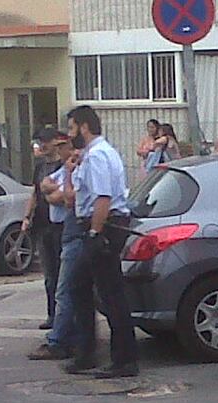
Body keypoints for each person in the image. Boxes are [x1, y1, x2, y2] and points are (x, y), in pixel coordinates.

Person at [63, 105, 139, 378]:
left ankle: (124, 359)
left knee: (110, 294)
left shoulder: (97, 156)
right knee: (80, 286)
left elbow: (103, 199)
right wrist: (70, 171)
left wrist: (95, 234)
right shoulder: (91, 156)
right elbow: (72, 200)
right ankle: (87, 352)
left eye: (72, 128)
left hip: (103, 228)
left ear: (84, 127)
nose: (70, 135)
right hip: (97, 226)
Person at [21, 128, 65, 331]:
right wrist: (27, 216)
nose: (43, 145)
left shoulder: (63, 164)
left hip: (60, 224)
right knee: (49, 275)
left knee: (61, 272)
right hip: (42, 224)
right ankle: (52, 314)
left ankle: (63, 316)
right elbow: (34, 193)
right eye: (40, 141)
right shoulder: (39, 166)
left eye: (45, 141)